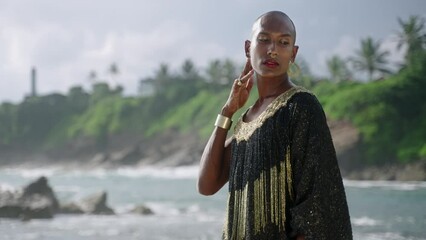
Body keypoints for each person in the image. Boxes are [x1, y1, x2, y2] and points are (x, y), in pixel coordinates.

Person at [197, 10, 352, 240]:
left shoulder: (300, 107)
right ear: (248, 48)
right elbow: (206, 184)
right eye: (264, 39)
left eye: (283, 42)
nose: (273, 49)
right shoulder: (246, 121)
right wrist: (227, 112)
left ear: (293, 53)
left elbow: (318, 205)